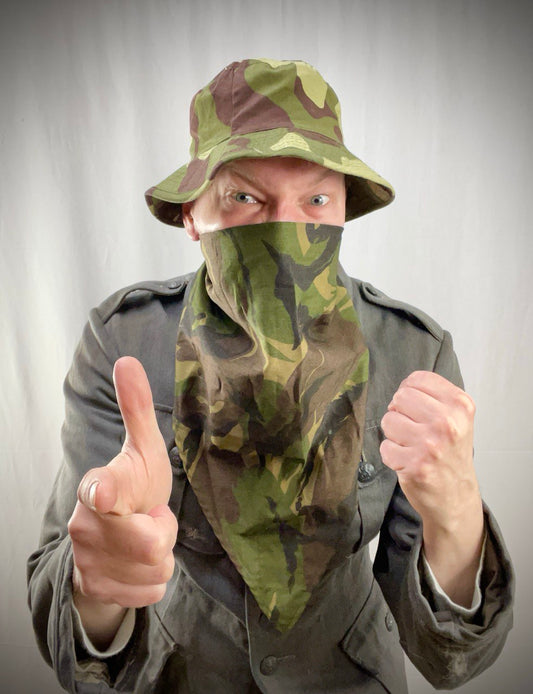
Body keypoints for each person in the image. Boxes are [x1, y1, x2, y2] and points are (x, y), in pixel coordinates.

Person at [28, 58, 514, 693]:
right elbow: (68, 636)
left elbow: (448, 655)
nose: (285, 232)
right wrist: (97, 587)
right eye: (244, 198)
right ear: (191, 214)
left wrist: (457, 519)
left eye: (316, 199)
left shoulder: (411, 353)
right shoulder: (125, 343)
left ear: (343, 209)